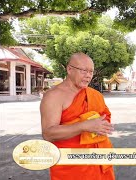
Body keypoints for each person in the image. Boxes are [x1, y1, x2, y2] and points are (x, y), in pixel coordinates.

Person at [40, 52, 115, 180]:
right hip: (71, 165)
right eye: (84, 71)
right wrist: (84, 126)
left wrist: (101, 126)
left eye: (91, 72)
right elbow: (48, 134)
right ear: (69, 69)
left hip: (99, 160)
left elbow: (105, 118)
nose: (88, 76)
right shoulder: (54, 96)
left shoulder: (95, 95)